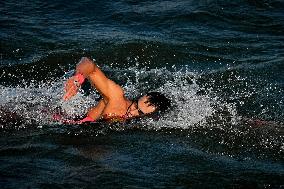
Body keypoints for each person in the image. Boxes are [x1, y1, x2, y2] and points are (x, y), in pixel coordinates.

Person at [59, 57, 171, 124]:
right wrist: (77, 78)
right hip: (67, 124)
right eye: (135, 106)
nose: (132, 112)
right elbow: (88, 63)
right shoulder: (116, 98)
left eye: (140, 113)